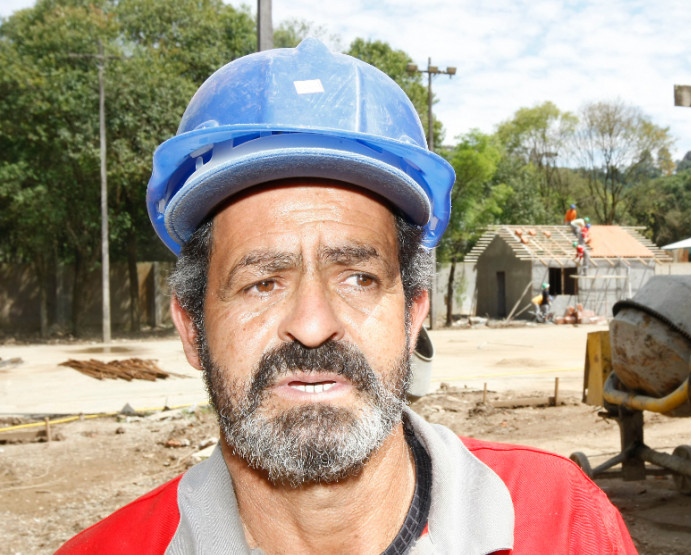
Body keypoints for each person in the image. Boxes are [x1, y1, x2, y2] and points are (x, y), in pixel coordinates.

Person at [58, 40, 637, 554]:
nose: (312, 325)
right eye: (262, 282)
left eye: (358, 277)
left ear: (414, 315)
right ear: (191, 328)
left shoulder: (561, 525)